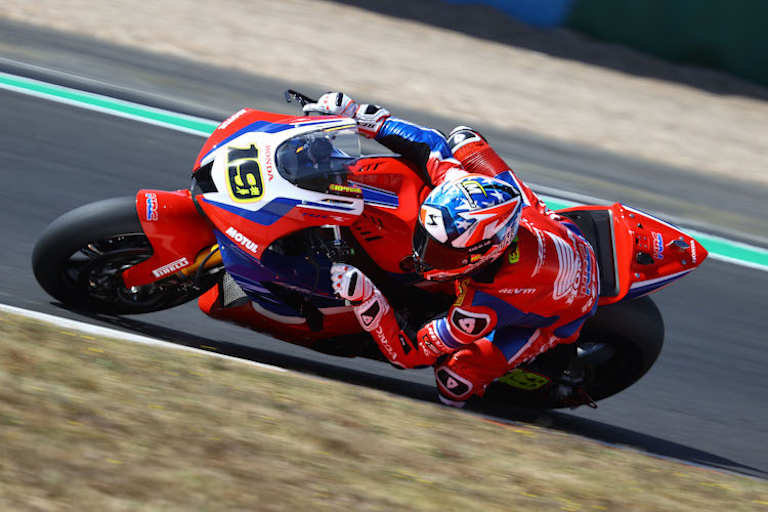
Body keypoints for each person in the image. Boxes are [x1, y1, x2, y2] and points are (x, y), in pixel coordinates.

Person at [304, 92, 599, 407]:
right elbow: (431, 144)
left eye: (442, 252)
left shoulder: (479, 307)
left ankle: (514, 389)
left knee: (454, 382)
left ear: (483, 253)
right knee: (461, 139)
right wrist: (359, 115)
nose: (424, 254)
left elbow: (409, 355)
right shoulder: (463, 186)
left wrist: (368, 298)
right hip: (551, 228)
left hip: (566, 313)